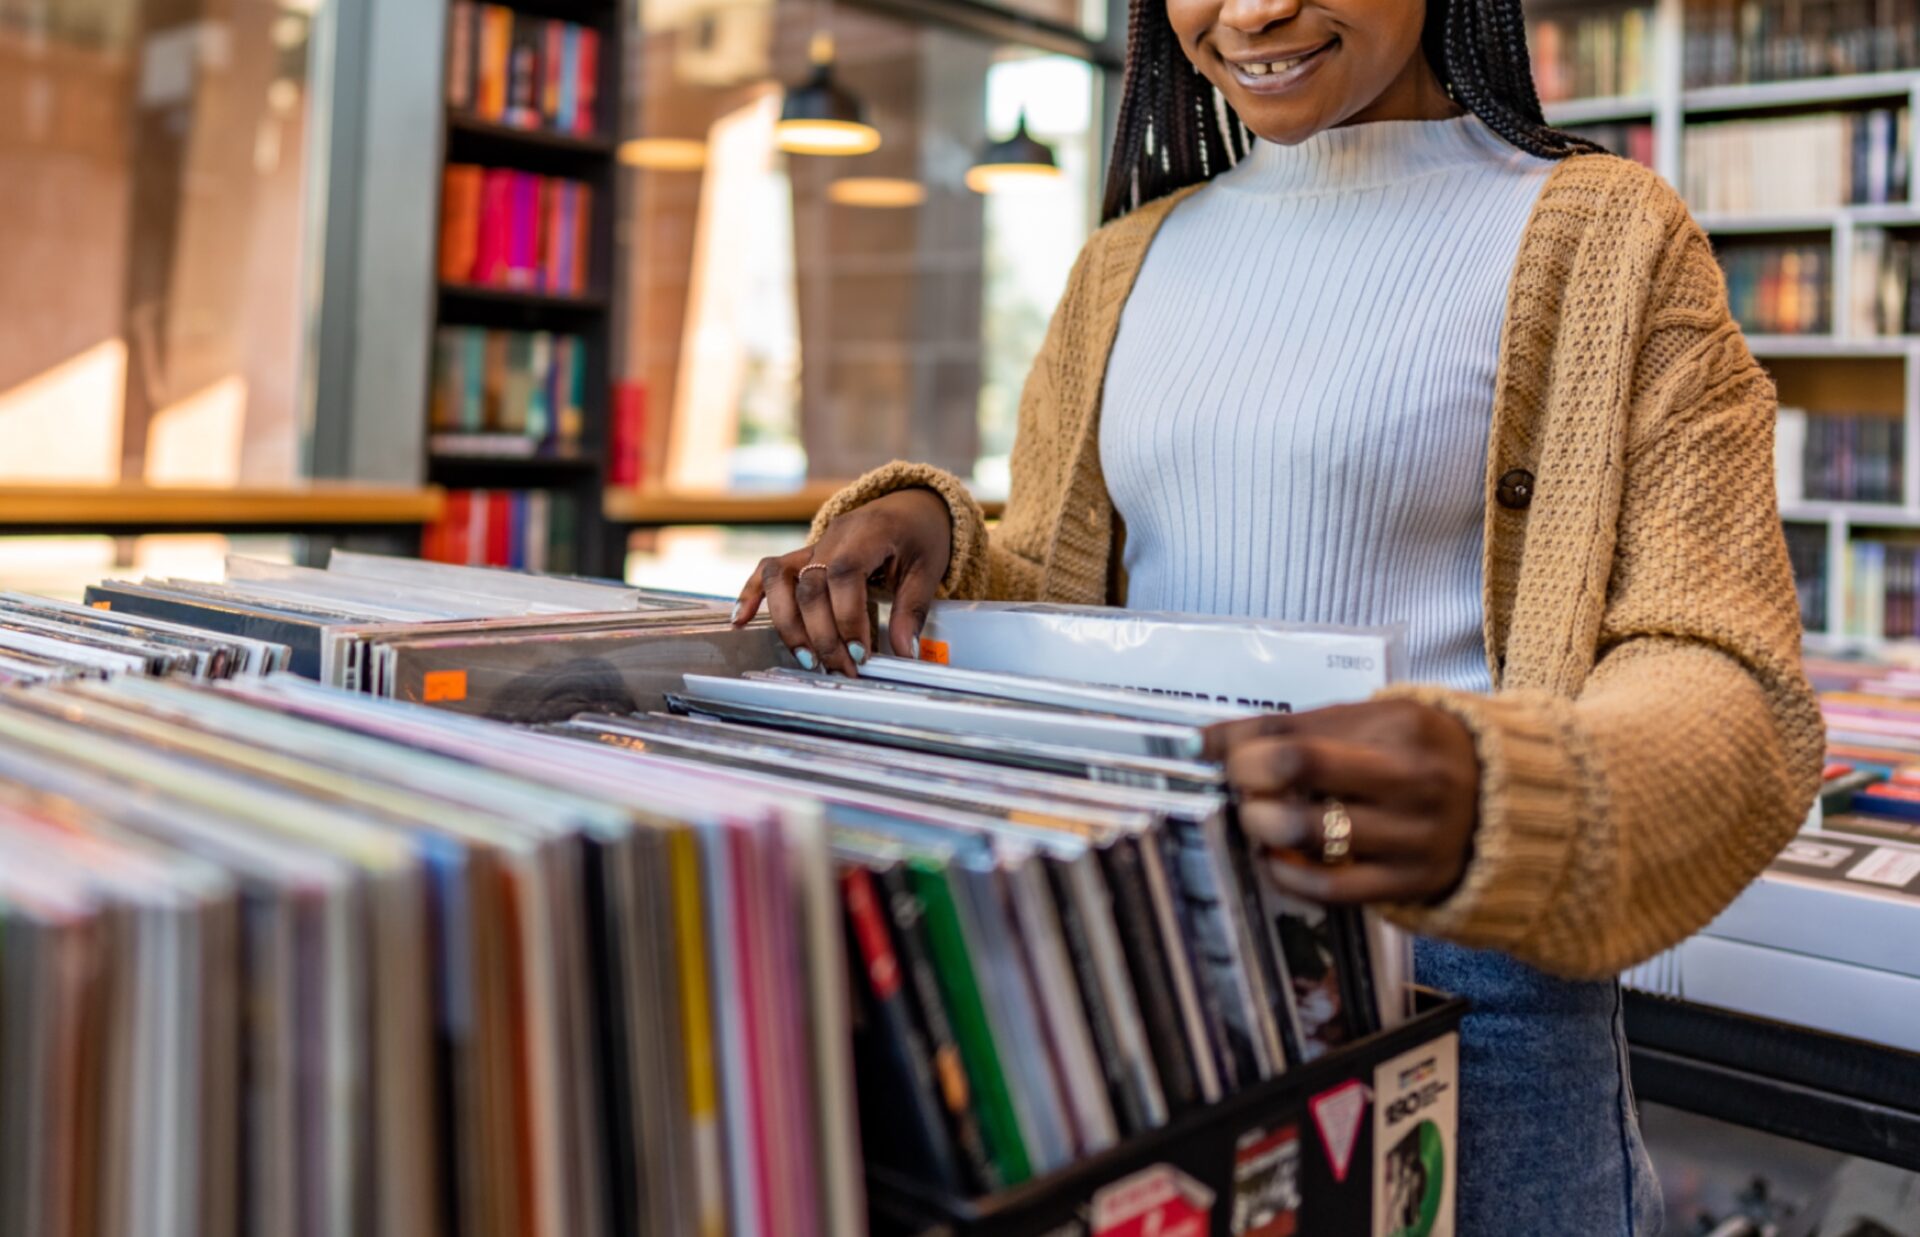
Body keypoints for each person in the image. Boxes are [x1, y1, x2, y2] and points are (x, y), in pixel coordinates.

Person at [732, 0, 1825, 1229]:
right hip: (1155, 939)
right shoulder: (1122, 262)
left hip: (1475, 985)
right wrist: (943, 540)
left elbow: (1726, 667)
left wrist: (1508, 790)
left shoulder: (1614, 237)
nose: (1250, 12)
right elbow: (1082, 584)